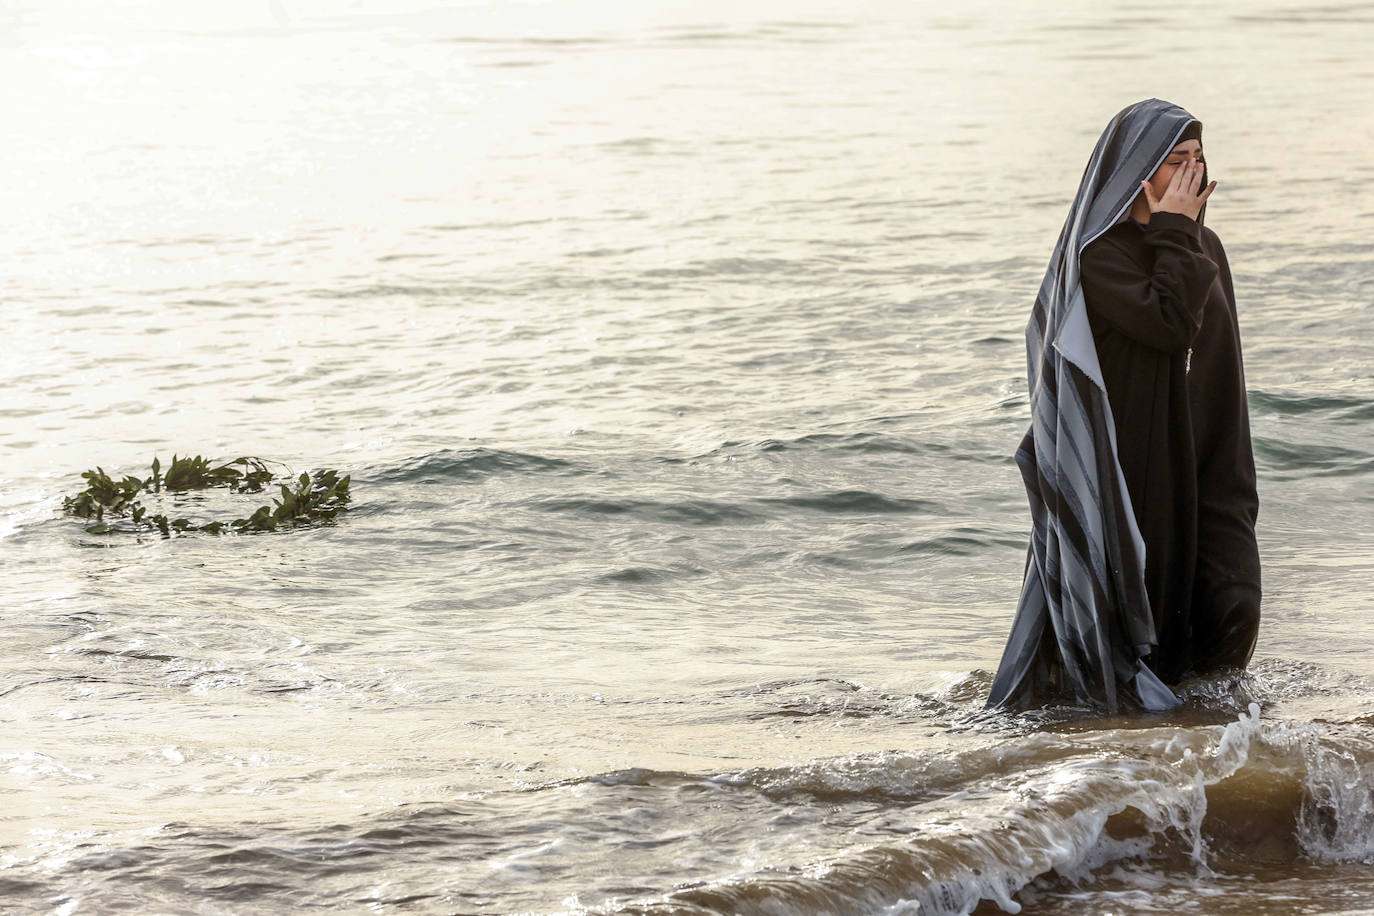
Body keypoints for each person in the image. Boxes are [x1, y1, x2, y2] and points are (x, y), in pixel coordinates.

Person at [985, 99, 1261, 712]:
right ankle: (1128, 758)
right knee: (1142, 634)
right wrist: (1175, 231)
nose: (1192, 176)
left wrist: (1228, 477)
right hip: (1128, 469)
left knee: (1230, 607)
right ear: (1139, 172)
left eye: (1198, 160)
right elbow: (1169, 323)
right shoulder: (1098, 257)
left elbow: (1219, 358)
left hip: (1198, 457)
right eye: (1174, 163)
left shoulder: (1201, 246)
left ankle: (1208, 751)